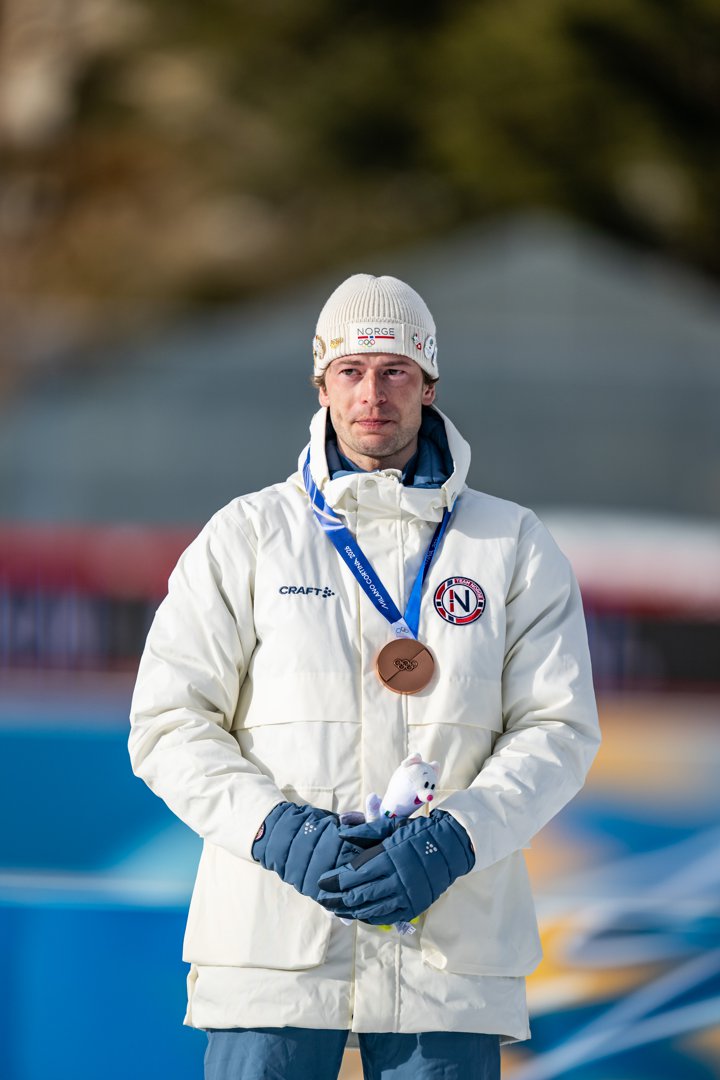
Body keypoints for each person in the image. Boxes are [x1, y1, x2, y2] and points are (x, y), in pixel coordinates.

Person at [128, 273, 600, 1080]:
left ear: (429, 385)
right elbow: (169, 723)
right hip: (273, 944)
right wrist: (277, 832)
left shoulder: (510, 543)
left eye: (395, 371)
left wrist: (458, 838)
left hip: (449, 953)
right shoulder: (247, 536)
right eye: (351, 371)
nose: (372, 393)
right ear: (320, 385)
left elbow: (558, 729)